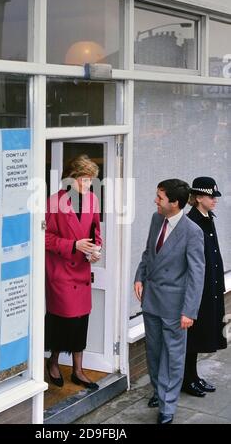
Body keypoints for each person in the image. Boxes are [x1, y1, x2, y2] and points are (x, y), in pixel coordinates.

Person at [134, 179, 205, 424]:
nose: (156, 200)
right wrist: (139, 276)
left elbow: (197, 274)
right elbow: (148, 253)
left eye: (160, 197)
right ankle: (159, 390)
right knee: (153, 352)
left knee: (173, 356)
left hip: (176, 307)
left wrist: (189, 311)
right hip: (151, 300)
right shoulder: (156, 220)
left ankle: (167, 407)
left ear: (174, 203)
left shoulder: (192, 232)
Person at [45, 154, 102, 390]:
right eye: (83, 180)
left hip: (82, 269)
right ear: (70, 178)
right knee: (62, 321)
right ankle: (54, 362)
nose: (88, 185)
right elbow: (45, 237)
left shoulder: (93, 200)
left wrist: (96, 250)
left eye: (90, 181)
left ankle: (78, 370)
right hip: (61, 272)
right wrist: (72, 245)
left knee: (81, 321)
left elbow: (96, 232)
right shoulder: (53, 202)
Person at [182, 177, 227, 396]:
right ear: (199, 197)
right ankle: (186, 379)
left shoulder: (207, 217)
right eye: (211, 196)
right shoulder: (192, 222)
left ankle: (194, 376)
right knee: (193, 337)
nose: (215, 200)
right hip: (198, 290)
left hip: (211, 286)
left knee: (201, 335)